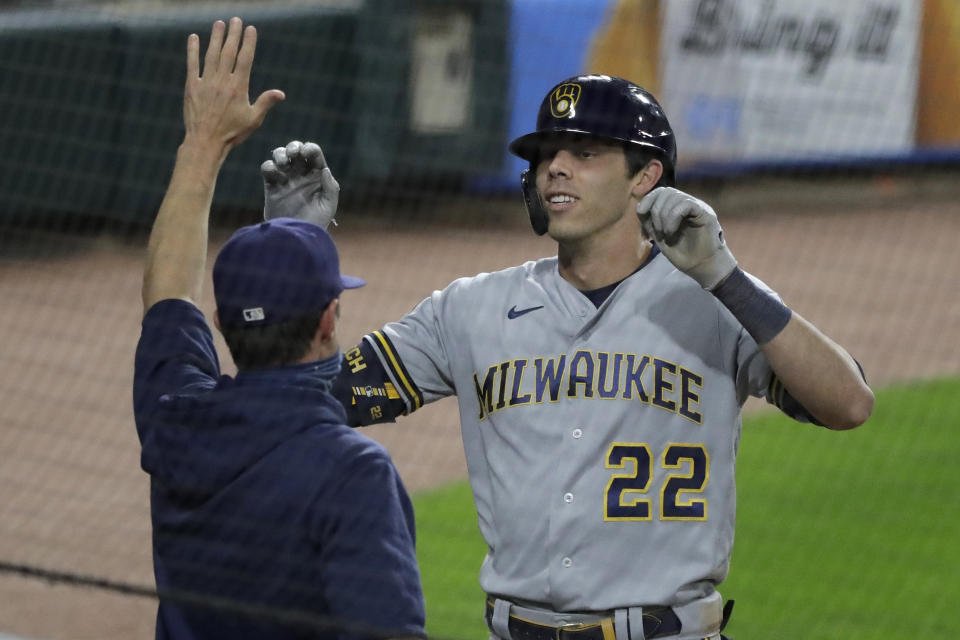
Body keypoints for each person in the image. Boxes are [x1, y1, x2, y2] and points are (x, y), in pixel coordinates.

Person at [261, 75, 874, 640]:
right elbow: (316, 398)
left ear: (645, 176)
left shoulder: (715, 302)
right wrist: (293, 250)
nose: (555, 168)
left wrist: (727, 278)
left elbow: (848, 404)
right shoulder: (471, 308)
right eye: (546, 155)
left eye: (584, 153)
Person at [133, 18, 425, 640]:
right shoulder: (353, 473)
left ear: (220, 324)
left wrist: (203, 144)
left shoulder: (176, 420)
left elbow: (167, 295)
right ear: (328, 318)